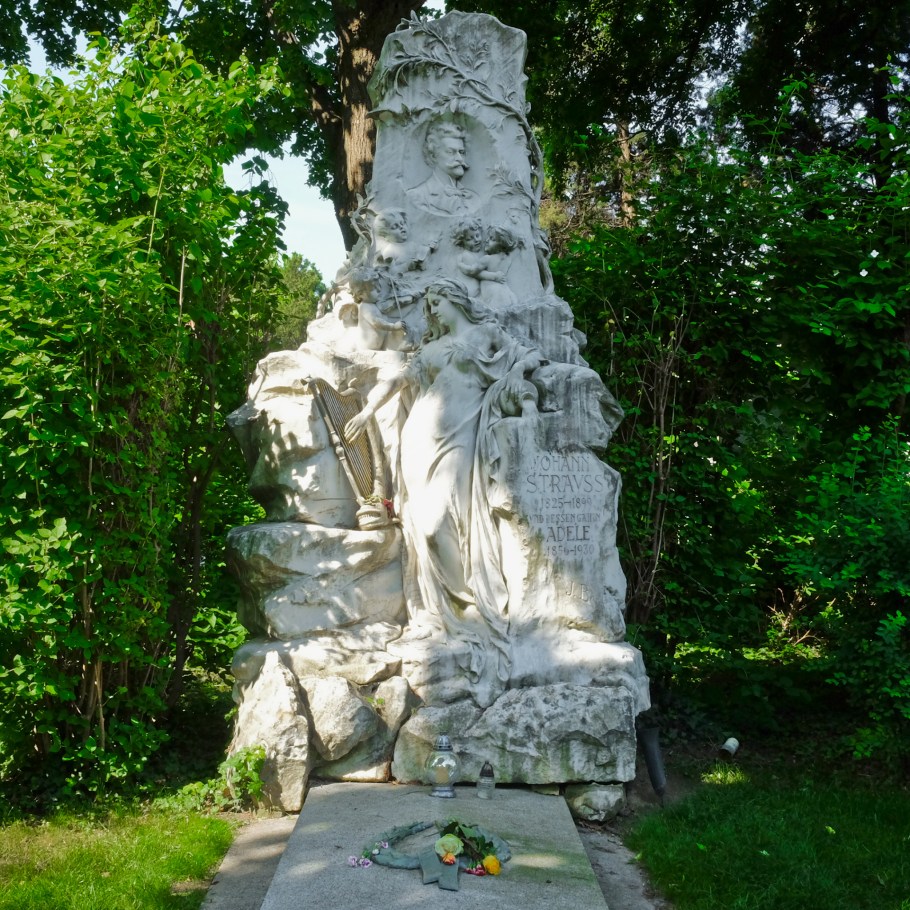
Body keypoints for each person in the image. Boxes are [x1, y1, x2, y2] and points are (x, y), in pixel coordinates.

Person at [345, 279, 542, 705]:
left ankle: (468, 606)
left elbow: (528, 356)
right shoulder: (430, 350)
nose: (432, 309)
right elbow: (397, 381)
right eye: (429, 303)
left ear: (456, 300)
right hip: (421, 438)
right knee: (424, 527)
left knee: (439, 524)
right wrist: (367, 410)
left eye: (437, 301)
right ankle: (443, 614)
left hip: (461, 436)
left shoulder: (487, 334)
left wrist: (519, 380)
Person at [407, 120, 479, 216]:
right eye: (450, 152)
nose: (460, 158)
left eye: (461, 152)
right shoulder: (417, 196)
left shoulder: (473, 198)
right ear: (433, 156)